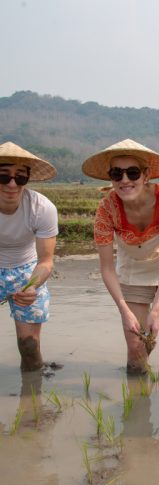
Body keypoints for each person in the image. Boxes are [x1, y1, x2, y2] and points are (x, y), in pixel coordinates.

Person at [82, 139, 159, 375]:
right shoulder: (107, 208)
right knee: (136, 347)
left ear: (145, 176)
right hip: (133, 269)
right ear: (111, 178)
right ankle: (137, 407)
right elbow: (106, 268)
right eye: (117, 174)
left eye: (132, 173)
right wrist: (124, 311)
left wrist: (156, 309)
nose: (125, 180)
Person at [0, 141, 58, 371]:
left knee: (29, 345)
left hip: (26, 269)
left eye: (20, 177)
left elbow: (45, 261)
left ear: (27, 179)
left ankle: (32, 398)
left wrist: (32, 286)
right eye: (3, 177)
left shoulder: (42, 208)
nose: (12, 184)